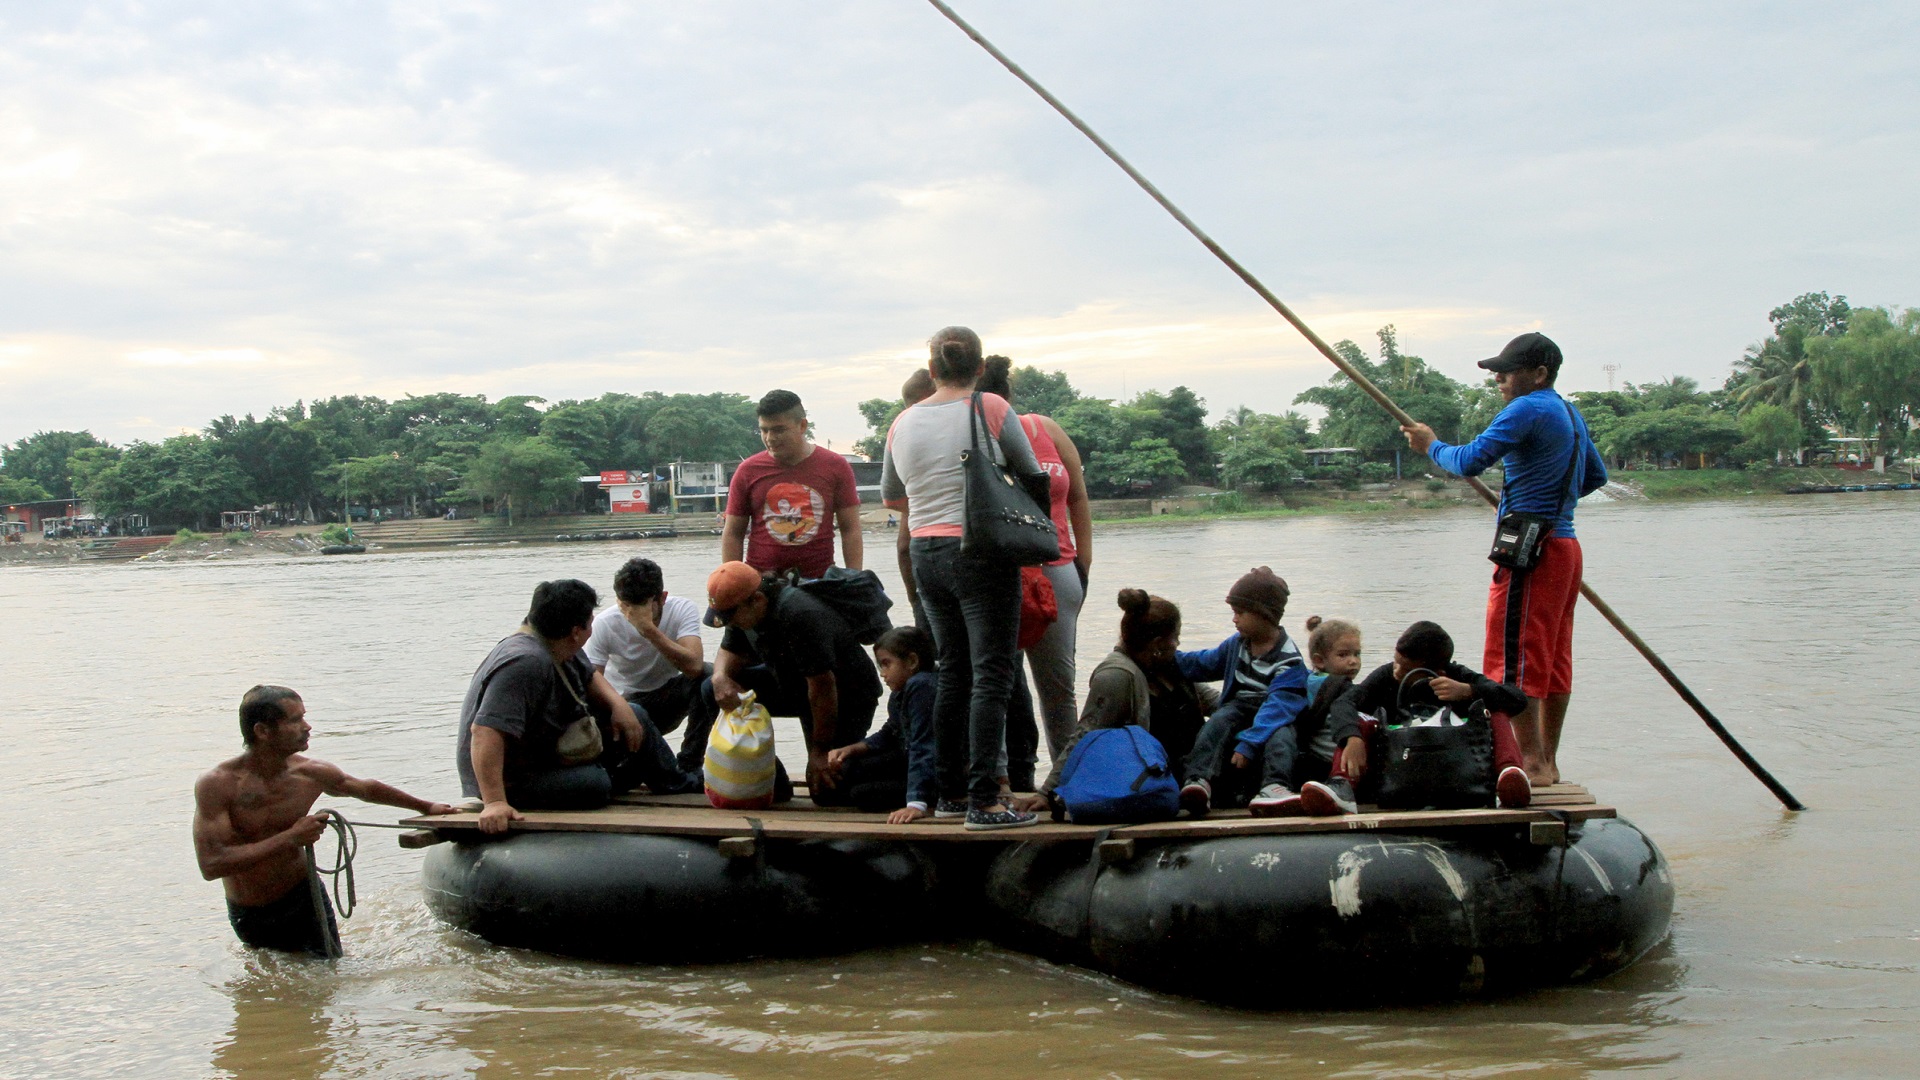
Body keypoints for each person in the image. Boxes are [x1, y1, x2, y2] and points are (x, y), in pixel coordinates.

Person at [1401, 332, 1607, 785]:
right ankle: (1547, 761)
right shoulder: (1569, 412)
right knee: (1551, 659)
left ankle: (1530, 763)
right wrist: (1543, 499)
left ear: (1539, 374)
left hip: (1532, 551)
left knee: (1515, 658)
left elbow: (1470, 460)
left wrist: (1431, 445)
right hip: (1565, 548)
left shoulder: (1528, 408)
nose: (1499, 378)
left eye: (1507, 370)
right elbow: (1595, 475)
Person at [880, 326, 1045, 831]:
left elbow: (891, 493)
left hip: (926, 550)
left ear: (931, 371)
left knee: (954, 670)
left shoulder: (901, 422)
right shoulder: (991, 407)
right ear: (978, 368)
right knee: (992, 672)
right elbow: (1031, 471)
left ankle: (950, 793)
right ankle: (985, 802)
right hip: (980, 551)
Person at [194, 685, 454, 956]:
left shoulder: (310, 773)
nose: (307, 727)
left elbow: (364, 788)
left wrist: (426, 806)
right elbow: (211, 864)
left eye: (304, 717)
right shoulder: (218, 785)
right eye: (295, 720)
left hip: (304, 898)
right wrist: (290, 838)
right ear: (262, 731)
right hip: (250, 909)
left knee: (326, 980)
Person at [457, 579, 700, 836]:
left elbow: (590, 676)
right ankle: (632, 774)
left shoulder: (558, 643)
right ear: (576, 631)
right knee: (594, 784)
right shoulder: (525, 662)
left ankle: (677, 782)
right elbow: (485, 730)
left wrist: (619, 705)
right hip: (513, 777)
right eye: (590, 621)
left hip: (550, 750)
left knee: (636, 716)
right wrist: (495, 802)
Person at [976, 355, 1093, 790]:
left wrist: (1085, 560)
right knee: (996, 685)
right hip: (999, 574)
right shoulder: (971, 436)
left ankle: (1067, 783)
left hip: (1059, 569)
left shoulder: (1046, 428)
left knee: (1059, 686)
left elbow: (1078, 497)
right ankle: (999, 784)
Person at [702, 560, 882, 804]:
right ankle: (773, 781)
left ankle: (888, 768)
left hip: (844, 697)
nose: (730, 622)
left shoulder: (800, 614)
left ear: (758, 600)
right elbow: (729, 649)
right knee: (711, 688)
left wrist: (819, 752)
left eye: (731, 616)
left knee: (827, 793)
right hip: (793, 685)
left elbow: (822, 688)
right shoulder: (741, 612)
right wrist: (720, 676)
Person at [1019, 589, 1212, 814]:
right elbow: (1085, 734)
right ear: (1158, 643)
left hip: (1197, 773)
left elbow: (1214, 701)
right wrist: (1047, 792)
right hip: (1156, 782)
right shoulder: (1117, 676)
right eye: (1176, 636)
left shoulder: (1172, 667)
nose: (1178, 643)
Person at [1328, 620, 1533, 809]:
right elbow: (1343, 703)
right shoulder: (1385, 676)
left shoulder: (1457, 676)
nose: (1396, 671)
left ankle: (1509, 774)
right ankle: (1342, 786)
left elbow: (1517, 699)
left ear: (1438, 672)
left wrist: (1469, 691)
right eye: (1396, 662)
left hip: (1457, 770)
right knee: (1361, 719)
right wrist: (1351, 737)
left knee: (1496, 711)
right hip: (1397, 771)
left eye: (1406, 668)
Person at [1173, 567, 1310, 816]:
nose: (1234, 620)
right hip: (1239, 707)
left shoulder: (1289, 660)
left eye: (1240, 613)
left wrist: (1249, 744)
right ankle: (1198, 780)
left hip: (1272, 712)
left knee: (1282, 736)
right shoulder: (1237, 644)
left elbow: (1279, 706)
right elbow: (1206, 663)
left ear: (1264, 614)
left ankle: (1275, 785)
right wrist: (1172, 658)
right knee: (1219, 721)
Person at [584, 557, 717, 773]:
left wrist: (649, 631)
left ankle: (690, 764)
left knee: (708, 676)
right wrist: (618, 706)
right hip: (625, 706)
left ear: (662, 598)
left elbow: (694, 666)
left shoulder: (682, 609)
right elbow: (591, 679)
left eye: (640, 607)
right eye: (626, 606)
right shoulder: (605, 623)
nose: (630, 615)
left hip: (667, 697)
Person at [723, 389, 863, 579]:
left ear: (802, 425)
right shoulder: (748, 470)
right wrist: (733, 581)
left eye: (779, 430)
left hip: (819, 582)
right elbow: (733, 533)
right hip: (761, 583)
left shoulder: (835, 466)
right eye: (764, 430)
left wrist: (854, 579)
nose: (770, 438)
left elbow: (851, 529)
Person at [1240, 616, 1370, 817]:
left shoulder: (1302, 681)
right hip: (1329, 762)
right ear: (1319, 660)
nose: (1353, 661)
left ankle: (1276, 787)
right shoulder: (1343, 688)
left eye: (1357, 654)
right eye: (1343, 655)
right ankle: (1341, 789)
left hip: (1304, 761)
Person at [824, 625, 938, 821]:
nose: (883, 673)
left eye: (887, 664)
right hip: (908, 758)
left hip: (933, 771)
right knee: (847, 769)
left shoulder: (922, 686)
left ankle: (929, 797)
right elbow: (891, 731)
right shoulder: (901, 690)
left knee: (862, 795)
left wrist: (916, 803)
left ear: (912, 661)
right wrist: (852, 749)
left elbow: (923, 745)